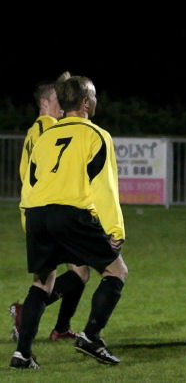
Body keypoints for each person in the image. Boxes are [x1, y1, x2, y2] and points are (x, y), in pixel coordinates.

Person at [11, 74, 128, 368]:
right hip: (70, 212)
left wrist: (29, 222)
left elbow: (31, 182)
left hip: (37, 213)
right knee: (116, 271)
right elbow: (105, 187)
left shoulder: (46, 136)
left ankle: (22, 355)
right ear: (86, 102)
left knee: (43, 281)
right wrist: (115, 230)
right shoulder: (96, 135)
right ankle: (91, 336)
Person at [9, 72, 91, 345]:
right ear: (44, 103)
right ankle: (32, 316)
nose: (63, 104)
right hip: (51, 212)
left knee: (61, 275)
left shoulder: (36, 131)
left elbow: (24, 173)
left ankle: (59, 327)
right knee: (77, 273)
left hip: (37, 213)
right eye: (58, 99)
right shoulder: (48, 129)